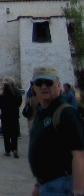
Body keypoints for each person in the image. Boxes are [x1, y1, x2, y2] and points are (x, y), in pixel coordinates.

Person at [28, 66, 84, 196]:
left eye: (48, 82)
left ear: (58, 85)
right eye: (39, 83)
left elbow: (79, 154)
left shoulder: (66, 113)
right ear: (34, 87)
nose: (44, 87)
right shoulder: (42, 113)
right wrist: (38, 184)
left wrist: (78, 191)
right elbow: (43, 151)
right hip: (46, 185)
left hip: (62, 185)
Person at [0, 78, 22, 158]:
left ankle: (7, 150)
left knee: (6, 134)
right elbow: (20, 102)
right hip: (14, 115)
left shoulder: (3, 94)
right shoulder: (17, 92)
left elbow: (0, 105)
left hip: (5, 116)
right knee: (14, 134)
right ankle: (15, 149)